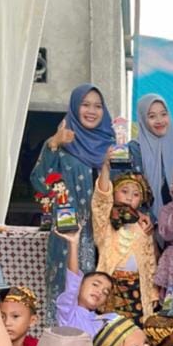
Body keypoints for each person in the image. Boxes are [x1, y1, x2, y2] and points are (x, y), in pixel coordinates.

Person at [31, 84, 116, 320]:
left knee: (102, 299)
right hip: (69, 235)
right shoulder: (60, 145)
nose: (92, 111)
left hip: (106, 237)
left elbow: (126, 189)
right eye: (85, 105)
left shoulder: (112, 144)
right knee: (67, 295)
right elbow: (39, 182)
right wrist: (54, 143)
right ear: (74, 107)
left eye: (98, 106)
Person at [54, 225, 117, 346]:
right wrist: (73, 244)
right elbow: (72, 280)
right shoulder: (69, 312)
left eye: (105, 292)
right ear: (80, 286)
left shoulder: (105, 321)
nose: (100, 291)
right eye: (95, 284)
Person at [91, 161, 158, 325]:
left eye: (136, 194)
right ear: (113, 193)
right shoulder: (105, 223)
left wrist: (152, 292)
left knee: (136, 330)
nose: (129, 197)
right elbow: (101, 200)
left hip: (138, 289)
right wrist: (105, 167)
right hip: (111, 287)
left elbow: (150, 262)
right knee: (111, 330)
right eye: (124, 191)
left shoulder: (143, 226)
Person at [132, 94, 173, 214]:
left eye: (163, 114)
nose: (159, 121)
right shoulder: (133, 150)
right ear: (143, 119)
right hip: (142, 221)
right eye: (152, 116)